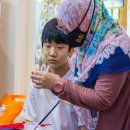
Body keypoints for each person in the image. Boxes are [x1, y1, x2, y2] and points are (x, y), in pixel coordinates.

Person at [31, 0, 130, 130]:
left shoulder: (115, 46)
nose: (64, 33)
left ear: (83, 21)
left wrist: (58, 84)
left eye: (66, 27)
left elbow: (102, 99)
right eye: (61, 28)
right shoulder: (86, 41)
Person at [20, 18, 87, 130]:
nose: (52, 53)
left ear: (71, 50)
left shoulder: (78, 83)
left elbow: (84, 126)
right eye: (47, 46)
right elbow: (29, 121)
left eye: (59, 47)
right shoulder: (36, 82)